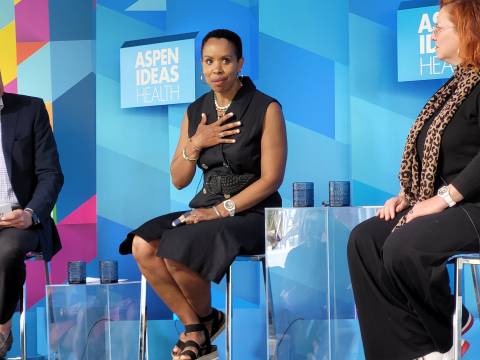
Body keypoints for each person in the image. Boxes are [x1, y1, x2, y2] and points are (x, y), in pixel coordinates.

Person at [119, 29, 287, 360]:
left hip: (257, 214)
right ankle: (198, 325)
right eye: (209, 61)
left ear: (240, 63)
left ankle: (201, 329)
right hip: (206, 210)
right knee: (142, 243)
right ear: (201, 66)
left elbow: (272, 179)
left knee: (179, 245)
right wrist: (196, 143)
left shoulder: (266, 108)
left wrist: (221, 210)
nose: (217, 69)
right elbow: (179, 180)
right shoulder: (195, 111)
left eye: (225, 60)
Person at [348, 0, 480, 359]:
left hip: (473, 206)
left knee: (403, 247)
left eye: (440, 27)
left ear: (468, 32)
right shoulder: (451, 89)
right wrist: (407, 196)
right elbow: (436, 160)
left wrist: (442, 199)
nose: (432, 34)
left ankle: (448, 330)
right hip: (444, 205)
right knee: (364, 240)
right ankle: (401, 352)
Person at [0, 71, 64, 357]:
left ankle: (2, 326)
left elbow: (50, 174)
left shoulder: (30, 109)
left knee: (7, 250)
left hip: (21, 221)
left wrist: (30, 213)